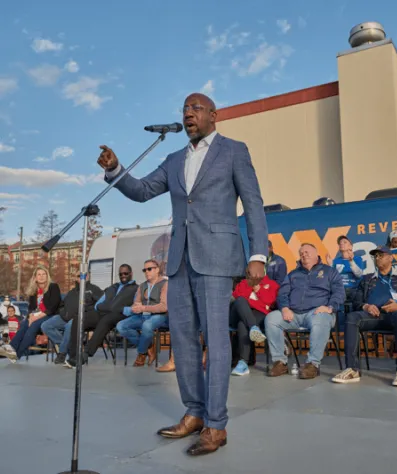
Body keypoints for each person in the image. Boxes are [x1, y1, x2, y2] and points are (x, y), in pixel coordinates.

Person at [97, 93, 267, 456]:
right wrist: (115, 169)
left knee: (216, 341)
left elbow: (253, 203)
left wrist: (258, 254)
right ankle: (194, 412)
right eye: (184, 109)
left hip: (218, 258)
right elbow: (142, 191)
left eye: (195, 108)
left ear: (213, 115)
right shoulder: (174, 159)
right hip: (179, 260)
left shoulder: (234, 150)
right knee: (183, 339)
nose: (188, 113)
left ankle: (216, 424)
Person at [332, 245, 397, 387]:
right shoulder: (367, 278)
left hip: (395, 315)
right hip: (373, 316)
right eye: (375, 256)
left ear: (391, 257)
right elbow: (356, 300)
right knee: (352, 318)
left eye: (381, 255)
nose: (377, 258)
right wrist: (366, 306)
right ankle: (352, 369)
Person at [265, 243, 345, 379]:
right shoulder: (293, 274)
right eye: (301, 253)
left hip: (317, 313)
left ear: (316, 254)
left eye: (307, 252)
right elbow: (282, 293)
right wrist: (284, 308)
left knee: (322, 318)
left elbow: (339, 293)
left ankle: (312, 364)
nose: (304, 254)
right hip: (294, 314)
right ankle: (280, 362)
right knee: (271, 319)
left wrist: (329, 307)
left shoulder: (329, 271)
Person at [67, 264, 137, 367]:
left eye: (126, 273)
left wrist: (121, 309)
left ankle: (86, 354)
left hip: (119, 314)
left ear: (131, 274)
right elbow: (98, 304)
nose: (123, 275)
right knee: (79, 318)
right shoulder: (112, 287)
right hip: (103, 312)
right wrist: (104, 307)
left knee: (106, 319)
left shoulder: (136, 288)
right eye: (121, 274)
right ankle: (74, 356)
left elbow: (135, 307)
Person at [0, 266, 61, 361]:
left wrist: (35, 318)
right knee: (24, 323)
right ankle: (11, 349)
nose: (41, 276)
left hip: (50, 315)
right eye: (39, 274)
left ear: (47, 276)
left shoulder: (53, 287)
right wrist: (30, 316)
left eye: (43, 274)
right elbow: (31, 308)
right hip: (37, 315)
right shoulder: (34, 290)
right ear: (35, 277)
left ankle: (17, 354)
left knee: (33, 325)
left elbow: (53, 307)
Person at [41, 273, 103, 366]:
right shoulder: (71, 292)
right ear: (76, 278)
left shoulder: (94, 289)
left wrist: (88, 312)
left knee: (71, 325)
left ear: (88, 276)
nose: (82, 277)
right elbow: (62, 305)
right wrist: (63, 313)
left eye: (85, 275)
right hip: (65, 317)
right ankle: (67, 346)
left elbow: (101, 305)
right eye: (79, 275)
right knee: (45, 325)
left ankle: (62, 353)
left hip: (81, 318)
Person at [116, 259, 168, 367]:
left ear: (157, 269)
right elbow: (137, 302)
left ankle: (141, 353)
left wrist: (144, 307)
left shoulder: (165, 284)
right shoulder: (142, 286)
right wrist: (135, 307)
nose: (146, 272)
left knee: (147, 325)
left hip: (160, 316)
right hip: (142, 315)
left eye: (149, 269)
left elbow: (164, 306)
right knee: (121, 326)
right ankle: (148, 346)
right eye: (144, 270)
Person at [230, 273, 279, 376]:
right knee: (240, 300)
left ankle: (243, 362)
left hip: (258, 315)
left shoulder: (272, 284)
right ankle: (253, 327)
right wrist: (259, 302)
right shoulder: (244, 283)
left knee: (242, 323)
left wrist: (258, 290)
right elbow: (238, 297)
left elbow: (271, 301)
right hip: (237, 314)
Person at [331, 235, 366, 302]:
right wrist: (330, 265)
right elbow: (332, 279)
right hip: (340, 290)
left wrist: (351, 262)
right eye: (340, 243)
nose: (341, 244)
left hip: (354, 289)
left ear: (351, 246)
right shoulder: (335, 261)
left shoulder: (357, 259)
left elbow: (359, 275)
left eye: (344, 242)